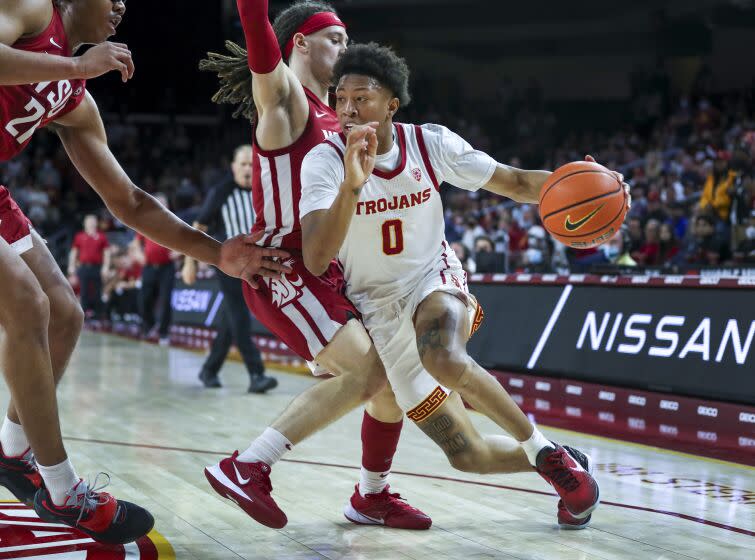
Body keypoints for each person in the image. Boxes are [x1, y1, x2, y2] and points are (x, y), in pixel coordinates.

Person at [299, 43, 629, 528]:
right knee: (467, 454)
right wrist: (351, 185)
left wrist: (588, 184)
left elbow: (515, 182)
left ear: (391, 104)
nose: (348, 109)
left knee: (443, 356)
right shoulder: (322, 163)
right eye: (340, 98)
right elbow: (316, 257)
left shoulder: (430, 144)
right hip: (377, 311)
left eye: (362, 98)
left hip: (434, 278)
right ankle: (566, 457)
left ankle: (546, 455)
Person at [0, 0, 289, 543]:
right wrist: (78, 66)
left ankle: (12, 454)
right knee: (27, 304)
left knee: (65, 313)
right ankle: (62, 492)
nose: (122, 5)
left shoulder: (74, 100)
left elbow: (130, 201)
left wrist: (218, 253)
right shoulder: (31, 9)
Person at [200, 0, 430, 530]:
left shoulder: (339, 116)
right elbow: (259, 39)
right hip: (285, 269)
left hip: (331, 272)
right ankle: (248, 465)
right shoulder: (287, 100)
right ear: (300, 43)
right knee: (369, 372)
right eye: (336, 39)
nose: (347, 49)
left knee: (391, 382)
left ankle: (371, 495)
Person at [182, 145, 278, 394]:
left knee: (231, 320)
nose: (247, 169)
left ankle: (209, 370)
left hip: (254, 265)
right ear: (234, 167)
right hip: (227, 266)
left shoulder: (264, 192)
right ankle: (257, 373)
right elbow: (198, 227)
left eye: (251, 165)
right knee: (240, 317)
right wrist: (189, 262)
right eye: (243, 164)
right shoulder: (221, 192)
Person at [131, 194, 178, 345]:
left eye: (164, 203)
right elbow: (136, 243)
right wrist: (139, 254)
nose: (161, 205)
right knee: (144, 298)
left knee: (165, 300)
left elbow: (185, 243)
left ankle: (164, 332)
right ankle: (149, 325)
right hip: (149, 267)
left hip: (167, 268)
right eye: (158, 203)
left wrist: (177, 254)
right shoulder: (146, 222)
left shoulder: (174, 223)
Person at [68, 213, 110, 319]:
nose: (91, 224)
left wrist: (106, 267)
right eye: (89, 222)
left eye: (93, 222)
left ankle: (99, 316)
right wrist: (71, 265)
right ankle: (84, 316)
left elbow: (107, 253)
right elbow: (74, 252)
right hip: (83, 267)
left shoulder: (101, 236)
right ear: (85, 224)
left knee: (97, 292)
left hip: (97, 267)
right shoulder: (80, 236)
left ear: (96, 223)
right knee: (83, 292)